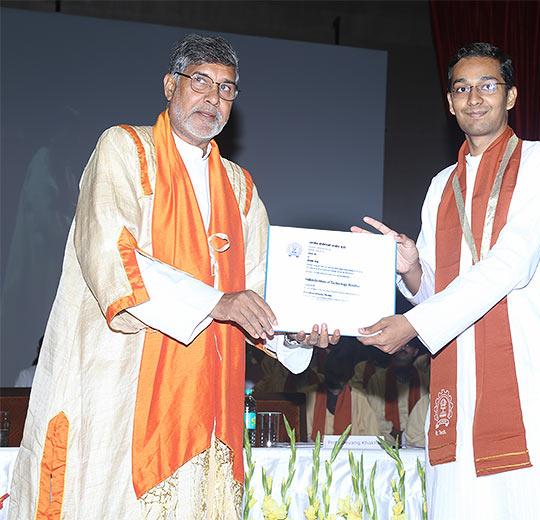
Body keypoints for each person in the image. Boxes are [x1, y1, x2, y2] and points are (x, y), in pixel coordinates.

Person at [9, 34, 338, 519]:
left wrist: (299, 330)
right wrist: (215, 302)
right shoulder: (125, 149)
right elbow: (113, 256)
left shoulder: (239, 187)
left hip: (209, 403)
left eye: (227, 89)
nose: (213, 98)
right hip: (122, 391)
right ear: (170, 85)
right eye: (200, 82)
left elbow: (263, 287)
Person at [354, 42, 540, 518]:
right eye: (462, 88)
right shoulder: (440, 184)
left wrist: (414, 325)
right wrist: (411, 267)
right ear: (449, 103)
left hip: (530, 378)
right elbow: (434, 291)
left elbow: (513, 264)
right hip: (456, 385)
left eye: (487, 86)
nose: (474, 98)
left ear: (510, 96)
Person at [365, 340, 428, 444]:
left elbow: (425, 414)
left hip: (417, 437)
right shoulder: (377, 379)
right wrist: (392, 431)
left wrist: (409, 433)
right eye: (400, 344)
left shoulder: (425, 380)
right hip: (387, 435)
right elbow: (373, 414)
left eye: (408, 345)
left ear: (416, 352)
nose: (403, 348)